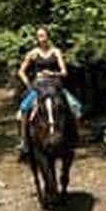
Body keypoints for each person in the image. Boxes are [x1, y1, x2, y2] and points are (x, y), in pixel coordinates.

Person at [16, 26, 82, 154]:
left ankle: (74, 138)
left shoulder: (56, 52)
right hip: (39, 87)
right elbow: (21, 71)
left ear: (48, 36)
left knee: (75, 106)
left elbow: (64, 72)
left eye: (43, 35)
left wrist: (52, 73)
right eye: (39, 36)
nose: (41, 38)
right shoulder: (33, 53)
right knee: (23, 108)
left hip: (55, 85)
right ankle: (24, 141)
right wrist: (28, 84)